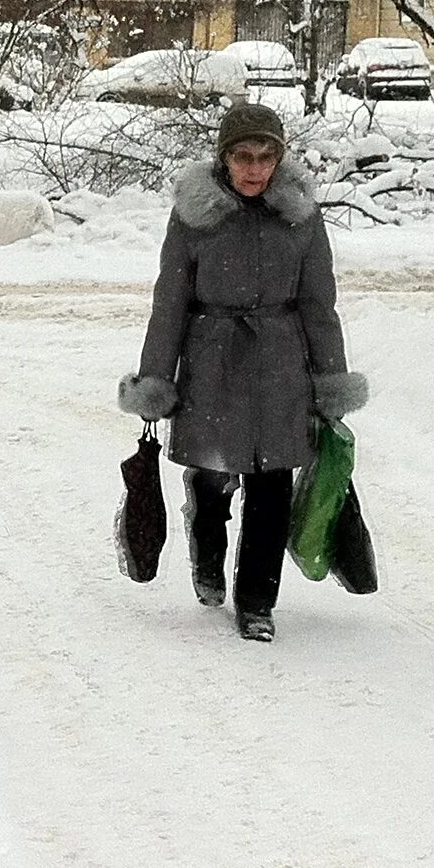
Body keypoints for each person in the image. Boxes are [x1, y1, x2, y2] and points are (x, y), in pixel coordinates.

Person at [118, 100, 367, 641]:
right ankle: (206, 547)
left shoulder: (299, 215)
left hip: (282, 364)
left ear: (279, 158)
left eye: (266, 157)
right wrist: (156, 380)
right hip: (213, 360)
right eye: (243, 157)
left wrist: (331, 382)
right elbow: (170, 302)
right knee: (212, 477)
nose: (255, 169)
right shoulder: (195, 216)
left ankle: (257, 601)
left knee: (272, 485)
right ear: (224, 158)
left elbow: (320, 305)